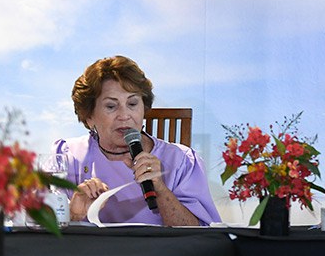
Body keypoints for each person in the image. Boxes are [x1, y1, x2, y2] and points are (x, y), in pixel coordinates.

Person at [56, 55, 221, 226]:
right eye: (111, 106)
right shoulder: (67, 157)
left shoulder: (181, 160)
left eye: (133, 104)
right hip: (90, 252)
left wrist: (160, 189)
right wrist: (73, 214)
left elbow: (201, 235)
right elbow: (37, 228)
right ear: (89, 116)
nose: (125, 115)